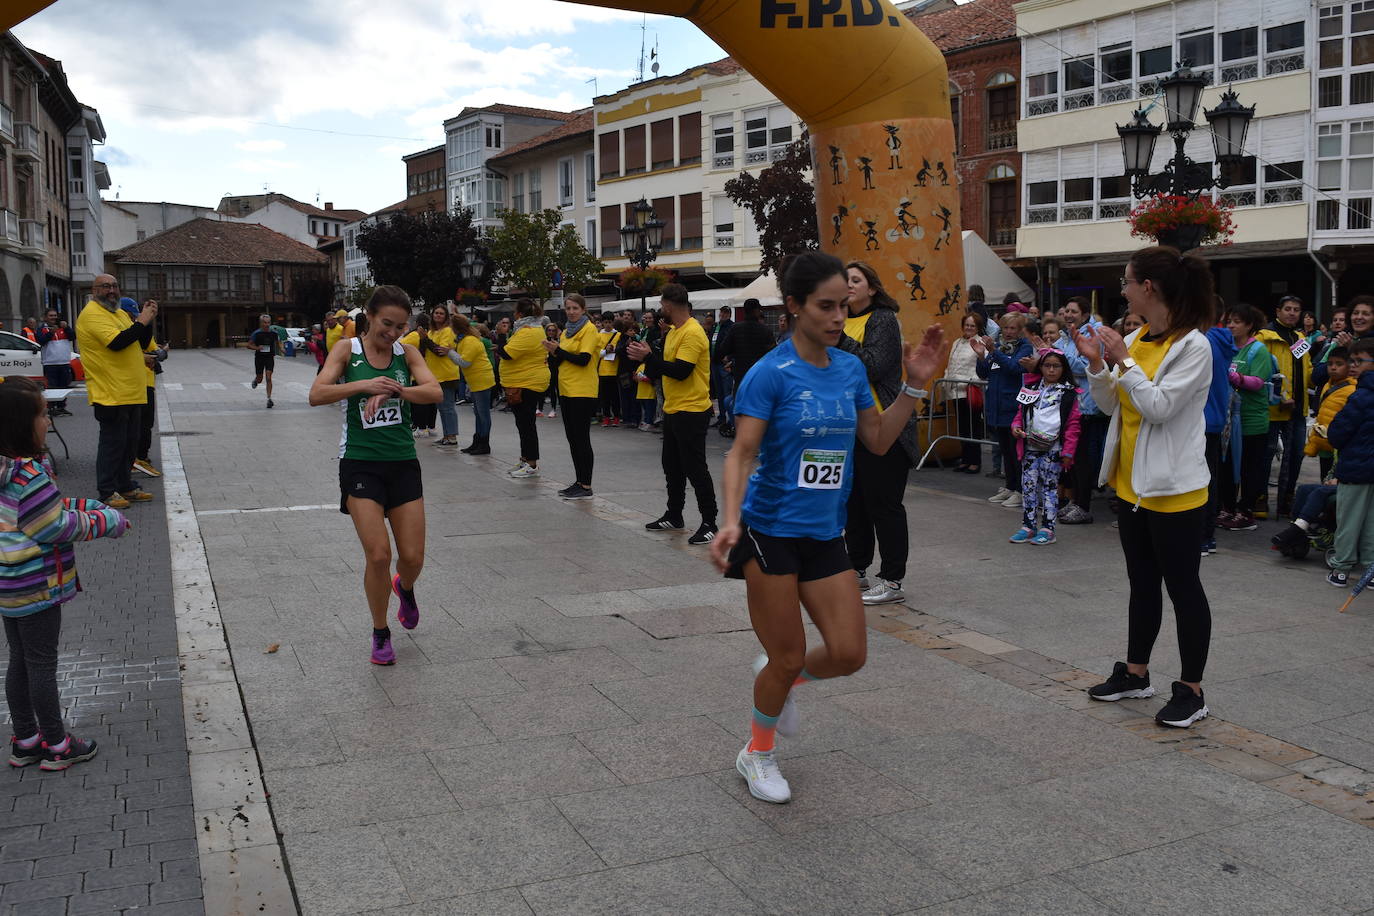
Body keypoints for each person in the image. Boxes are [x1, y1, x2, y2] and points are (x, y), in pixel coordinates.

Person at [709, 251, 944, 804]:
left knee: (847, 654)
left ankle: (781, 678)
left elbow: (878, 440)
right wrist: (730, 521)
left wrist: (913, 386)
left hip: (825, 533)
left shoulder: (850, 369)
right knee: (788, 653)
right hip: (769, 531)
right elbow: (741, 453)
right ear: (794, 306)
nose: (838, 317)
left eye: (844, 305)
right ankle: (757, 752)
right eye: (825, 306)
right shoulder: (769, 374)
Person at [1082, 246, 1216, 729]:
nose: (1123, 289)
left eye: (1126, 280)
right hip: (1131, 485)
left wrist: (1123, 360)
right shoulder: (1136, 337)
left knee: (1183, 589)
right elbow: (1112, 404)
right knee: (1142, 583)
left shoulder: (1194, 346)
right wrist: (1098, 366)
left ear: (1148, 287)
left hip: (1174, 491)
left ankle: (1192, 690)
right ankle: (1136, 673)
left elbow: (1159, 407)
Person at [0, 378, 130, 770]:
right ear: (21, 426)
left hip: (10, 587)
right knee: (41, 666)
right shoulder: (29, 476)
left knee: (20, 661)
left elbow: (43, 510)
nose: (48, 421)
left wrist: (85, 504)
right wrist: (106, 521)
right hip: (37, 586)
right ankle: (57, 744)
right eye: (42, 415)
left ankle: (26, 740)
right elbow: (54, 526)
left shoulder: (8, 471)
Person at [308, 286, 441, 665]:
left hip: (402, 463)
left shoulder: (407, 353)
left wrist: (397, 390)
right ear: (368, 315)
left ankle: (405, 587)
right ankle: (380, 632)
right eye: (386, 323)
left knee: (412, 557)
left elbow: (434, 392)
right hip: (360, 462)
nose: (393, 333)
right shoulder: (346, 350)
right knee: (379, 555)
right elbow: (317, 394)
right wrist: (365, 385)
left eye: (400, 327)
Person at [839, 261, 916, 605]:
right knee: (854, 504)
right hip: (848, 428)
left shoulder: (882, 319)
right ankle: (856, 569)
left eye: (856, 280)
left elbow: (873, 366)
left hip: (884, 425)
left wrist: (838, 337)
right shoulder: (840, 318)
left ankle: (892, 580)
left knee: (884, 506)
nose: (848, 284)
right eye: (844, 280)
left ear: (871, 288)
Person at [628, 284, 718, 545]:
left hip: (692, 409)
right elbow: (662, 368)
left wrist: (649, 358)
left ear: (669, 305)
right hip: (673, 407)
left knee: (695, 468)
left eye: (661, 305)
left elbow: (681, 371)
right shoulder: (674, 332)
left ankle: (710, 522)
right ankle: (674, 514)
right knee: (672, 466)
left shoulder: (693, 332)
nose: (660, 310)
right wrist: (645, 359)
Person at [75, 275, 156, 510]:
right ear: (94, 290)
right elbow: (117, 343)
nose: (111, 290)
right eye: (105, 286)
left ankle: (126, 485)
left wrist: (148, 320)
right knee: (112, 445)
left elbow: (138, 341)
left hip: (130, 391)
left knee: (130, 444)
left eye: (114, 286)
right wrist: (141, 320)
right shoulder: (92, 314)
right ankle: (107, 491)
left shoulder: (118, 313)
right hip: (110, 392)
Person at [1008, 350, 1080, 545]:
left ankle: (1048, 529)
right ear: (1040, 367)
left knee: (1049, 489)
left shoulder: (1069, 393)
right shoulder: (1031, 388)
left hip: (1053, 449)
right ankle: (1028, 526)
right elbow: (1020, 413)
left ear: (1063, 368)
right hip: (1029, 446)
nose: (1051, 370)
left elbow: (1073, 425)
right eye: (1047, 365)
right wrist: (1016, 427)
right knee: (1028, 487)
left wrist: (1068, 451)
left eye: (1056, 366)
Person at [1217, 305, 1274, 533]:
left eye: (1237, 321)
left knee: (1250, 467)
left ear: (1249, 325)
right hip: (1228, 421)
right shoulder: (1227, 347)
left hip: (1252, 420)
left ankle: (1246, 511)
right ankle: (1227, 508)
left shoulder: (1258, 350)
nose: (1231, 325)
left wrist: (1234, 377)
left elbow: (1258, 382)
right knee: (1227, 465)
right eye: (1229, 321)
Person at [1326, 338, 1374, 588]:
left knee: (1348, 520)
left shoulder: (1361, 396)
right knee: (1371, 523)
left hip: (1356, 468)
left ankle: (1341, 569)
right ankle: (1371, 569)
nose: (1353, 365)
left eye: (1358, 361)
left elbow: (1338, 433)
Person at [1258, 294, 1310, 518]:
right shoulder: (1265, 337)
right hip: (1273, 408)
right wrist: (1281, 396)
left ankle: (1287, 500)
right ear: (1278, 311)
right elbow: (1263, 372)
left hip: (1298, 409)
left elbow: (1307, 369)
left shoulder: (1300, 337)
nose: (1292, 313)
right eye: (1288, 308)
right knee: (1266, 454)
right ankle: (1259, 498)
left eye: (1296, 310)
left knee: (1296, 455)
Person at [973, 312, 1033, 510]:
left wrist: (993, 351)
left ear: (1020, 330)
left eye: (1012, 328)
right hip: (996, 406)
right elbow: (984, 373)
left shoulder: (1024, 347)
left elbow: (1014, 368)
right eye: (1005, 327)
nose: (1008, 332)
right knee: (1005, 450)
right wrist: (981, 356)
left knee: (1016, 452)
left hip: (1012, 407)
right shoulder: (998, 347)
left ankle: (1021, 490)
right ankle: (1010, 486)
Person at [544, 293, 600, 499]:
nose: (571, 312)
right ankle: (578, 481)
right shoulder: (567, 331)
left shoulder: (589, 329)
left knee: (581, 438)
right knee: (572, 438)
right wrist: (553, 352)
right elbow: (561, 361)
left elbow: (583, 360)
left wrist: (559, 351)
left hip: (582, 390)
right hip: (566, 389)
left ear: (583, 309)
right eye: (568, 308)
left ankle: (586, 485)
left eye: (575, 308)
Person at [496, 300, 550, 478]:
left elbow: (506, 354)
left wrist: (501, 335)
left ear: (519, 314)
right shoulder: (528, 329)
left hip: (528, 383)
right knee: (523, 424)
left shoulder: (528, 332)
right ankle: (525, 459)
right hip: (523, 382)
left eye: (515, 312)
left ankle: (532, 464)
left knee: (527, 425)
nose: (513, 315)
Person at [1201, 303, 1238, 555]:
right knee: (1209, 477)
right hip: (1214, 416)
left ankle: (1202, 536)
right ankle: (1207, 536)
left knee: (1201, 480)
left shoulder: (1202, 341)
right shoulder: (1220, 339)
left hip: (1200, 418)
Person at [1305, 347, 1355, 481]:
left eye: (1339, 364)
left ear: (1350, 366)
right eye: (1330, 364)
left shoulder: (1353, 389)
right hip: (1324, 444)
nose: (1333, 367)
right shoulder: (1327, 385)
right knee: (1324, 479)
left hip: (1338, 447)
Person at [451, 315, 495, 455]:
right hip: (475, 380)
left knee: (483, 414)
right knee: (478, 413)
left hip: (481, 380)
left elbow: (464, 362)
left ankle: (484, 444)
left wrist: (449, 352)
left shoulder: (470, 340)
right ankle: (477, 442)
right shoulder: (464, 339)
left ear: (456, 327)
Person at [946, 312, 984, 474]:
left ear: (978, 328)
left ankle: (975, 461)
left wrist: (970, 381)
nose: (969, 328)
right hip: (955, 391)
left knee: (973, 427)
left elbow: (983, 367)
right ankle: (965, 459)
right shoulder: (957, 342)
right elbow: (951, 363)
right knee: (962, 427)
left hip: (971, 390)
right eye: (967, 324)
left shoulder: (981, 342)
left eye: (972, 325)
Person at [420, 304, 462, 448]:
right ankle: (446, 435)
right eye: (436, 313)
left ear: (446, 317)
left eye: (441, 313)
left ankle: (452, 437)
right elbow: (426, 350)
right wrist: (424, 339)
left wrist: (426, 339)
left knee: (448, 407)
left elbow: (439, 352)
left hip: (447, 374)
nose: (438, 315)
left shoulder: (447, 331)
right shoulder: (432, 332)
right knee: (442, 408)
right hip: (435, 375)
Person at [400, 316, 438, 439]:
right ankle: (431, 427)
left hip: (418, 373)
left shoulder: (414, 335)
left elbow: (398, 346)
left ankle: (421, 428)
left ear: (417, 324)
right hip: (432, 372)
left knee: (419, 403)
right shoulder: (431, 334)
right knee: (431, 403)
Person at [36, 308, 74, 416]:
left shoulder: (63, 328)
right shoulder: (42, 329)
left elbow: (73, 336)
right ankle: (51, 408)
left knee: (63, 386)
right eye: (51, 316)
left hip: (64, 362)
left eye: (55, 315)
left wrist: (67, 328)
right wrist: (51, 333)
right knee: (52, 387)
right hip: (50, 363)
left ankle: (61, 407)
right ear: (45, 317)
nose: (53, 317)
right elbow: (41, 341)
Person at [711, 305, 735, 433]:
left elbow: (735, 344)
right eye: (722, 312)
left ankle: (730, 420)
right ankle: (721, 418)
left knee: (727, 392)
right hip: (714, 363)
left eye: (726, 313)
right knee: (719, 392)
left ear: (729, 315)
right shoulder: (716, 326)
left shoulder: (732, 326)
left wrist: (729, 357)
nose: (723, 315)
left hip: (724, 364)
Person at [248, 314, 281, 409]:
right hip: (259, 358)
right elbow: (249, 345)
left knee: (268, 378)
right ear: (261, 323)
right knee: (260, 379)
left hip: (269, 357)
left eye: (268, 322)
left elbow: (278, 342)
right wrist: (257, 348)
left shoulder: (274, 333)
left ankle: (269, 399)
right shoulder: (256, 333)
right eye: (265, 322)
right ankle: (256, 380)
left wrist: (282, 348)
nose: (267, 324)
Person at [596, 314, 623, 427]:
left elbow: (622, 350)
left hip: (615, 369)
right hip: (602, 370)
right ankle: (606, 417)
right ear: (602, 323)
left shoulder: (619, 335)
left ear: (613, 322)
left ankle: (616, 417)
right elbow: (596, 353)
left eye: (610, 322)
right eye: (606, 322)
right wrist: (606, 351)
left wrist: (614, 349)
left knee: (615, 396)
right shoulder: (598, 335)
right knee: (604, 396)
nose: (608, 325)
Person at [538, 322, 561, 419]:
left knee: (553, 389)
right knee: (541, 388)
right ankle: (539, 409)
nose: (551, 332)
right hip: (543, 367)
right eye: (549, 330)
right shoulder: (543, 341)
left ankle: (553, 409)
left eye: (553, 330)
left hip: (554, 368)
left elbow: (558, 355)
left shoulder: (557, 342)